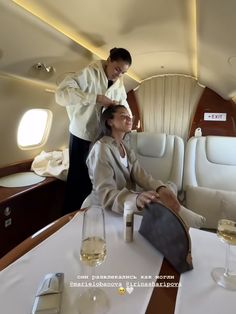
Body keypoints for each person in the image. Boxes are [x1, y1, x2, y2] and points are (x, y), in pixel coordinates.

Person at [86, 105, 206, 228]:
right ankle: (184, 219)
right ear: (109, 121)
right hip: (107, 206)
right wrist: (137, 199)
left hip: (125, 203)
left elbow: (141, 175)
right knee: (156, 201)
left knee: (168, 189)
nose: (129, 119)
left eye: (130, 116)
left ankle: (180, 216)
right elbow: (105, 194)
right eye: (123, 116)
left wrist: (160, 188)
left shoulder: (124, 147)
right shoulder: (101, 148)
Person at [55, 48, 132, 214]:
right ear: (109, 60)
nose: (118, 75)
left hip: (99, 138)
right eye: (117, 69)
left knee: (93, 181)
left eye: (123, 72)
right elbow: (61, 94)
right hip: (81, 135)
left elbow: (124, 102)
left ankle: (88, 216)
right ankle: (67, 218)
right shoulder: (89, 73)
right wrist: (95, 98)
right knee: (76, 180)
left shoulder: (118, 83)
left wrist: (128, 120)